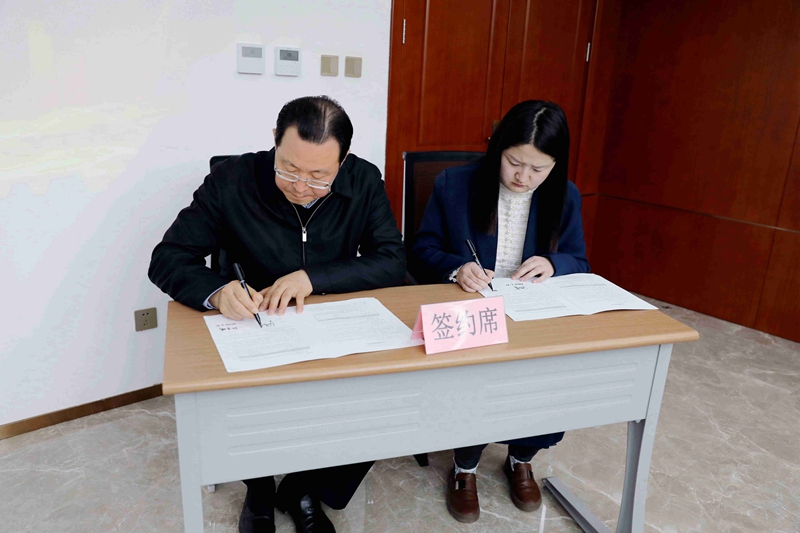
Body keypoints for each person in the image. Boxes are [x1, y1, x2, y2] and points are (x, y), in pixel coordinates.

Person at [149, 96, 405, 533]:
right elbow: (168, 257)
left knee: (380, 394)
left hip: (329, 326)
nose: (300, 186)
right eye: (288, 168)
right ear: (274, 140)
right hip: (256, 324)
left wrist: (314, 278)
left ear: (343, 161)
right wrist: (218, 292)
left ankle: (303, 487)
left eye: (319, 176)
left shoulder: (363, 180)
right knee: (249, 403)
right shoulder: (232, 180)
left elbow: (392, 260)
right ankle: (260, 488)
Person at [412, 100, 589, 523]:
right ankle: (465, 465)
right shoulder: (455, 185)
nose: (523, 177)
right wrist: (457, 268)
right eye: (514, 163)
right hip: (473, 311)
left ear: (555, 165)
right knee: (479, 376)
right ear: (497, 150)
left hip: (534, 315)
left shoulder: (564, 195)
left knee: (549, 372)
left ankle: (521, 458)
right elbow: (420, 251)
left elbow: (579, 260)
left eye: (538, 169)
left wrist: (553, 264)